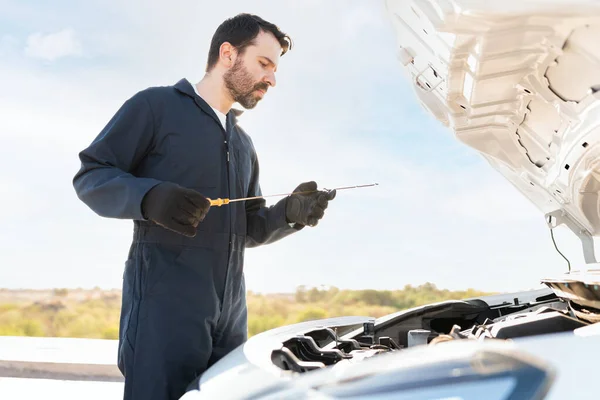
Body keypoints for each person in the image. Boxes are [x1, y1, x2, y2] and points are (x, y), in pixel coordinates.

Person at [72, 13, 335, 400]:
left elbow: (249, 227)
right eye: (264, 64)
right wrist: (150, 197)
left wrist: (289, 215)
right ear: (228, 54)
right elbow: (91, 175)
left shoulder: (243, 145)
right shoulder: (155, 107)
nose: (272, 79)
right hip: (164, 311)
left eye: (275, 69)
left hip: (230, 316)